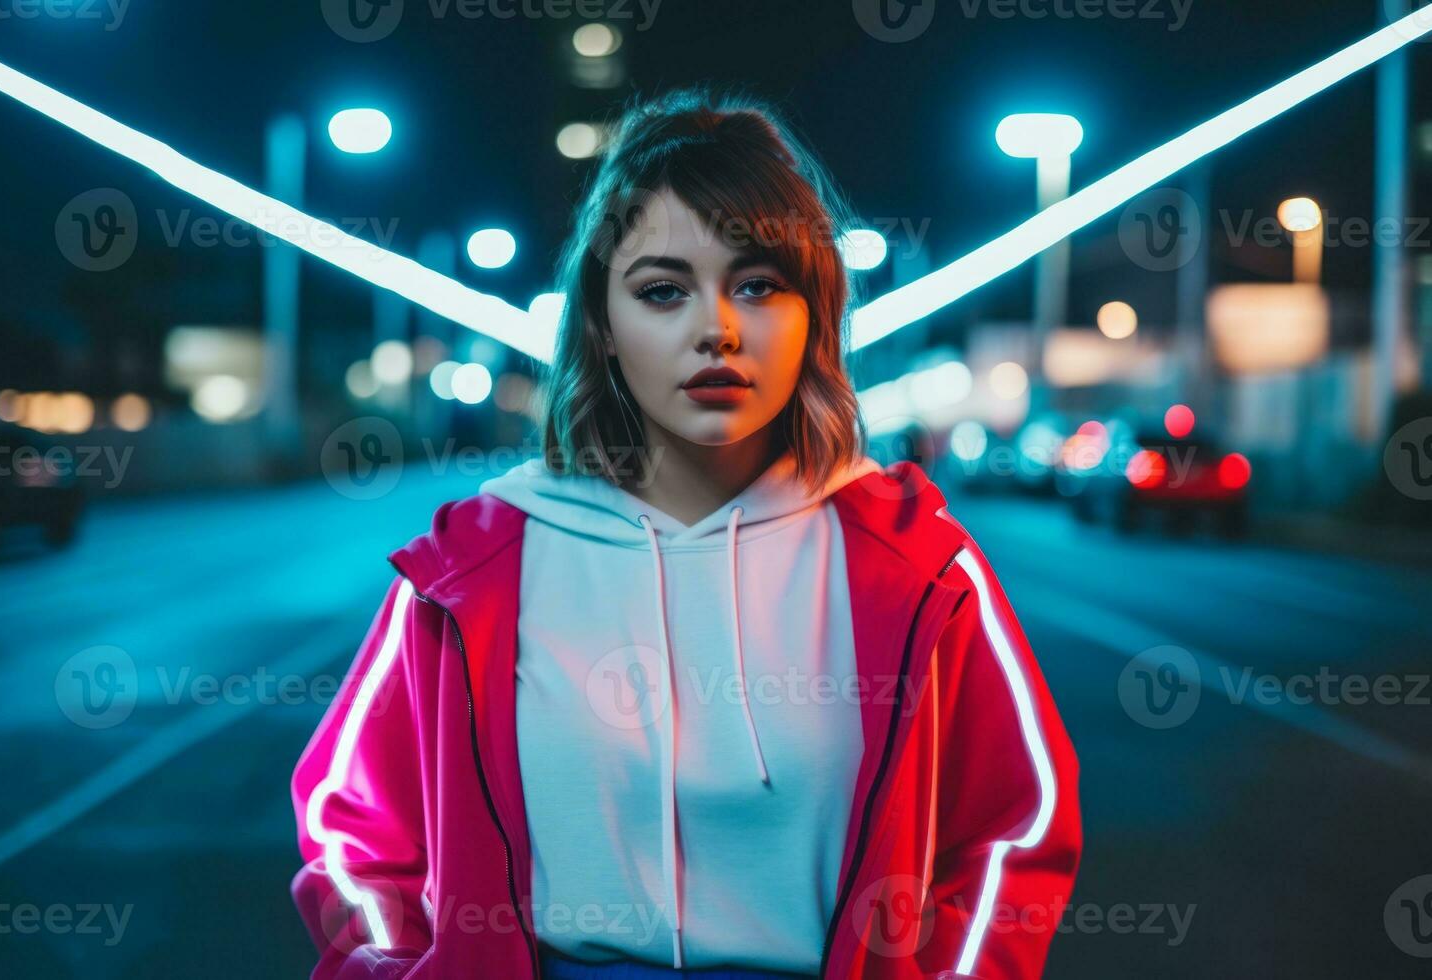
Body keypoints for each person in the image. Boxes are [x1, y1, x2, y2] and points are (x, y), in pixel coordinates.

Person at [290, 84, 1081, 980]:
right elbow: (352, 829)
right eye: (663, 291)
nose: (717, 329)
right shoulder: (474, 567)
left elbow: (1015, 832)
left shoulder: (916, 567)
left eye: (758, 284)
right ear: (605, 326)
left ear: (813, 313)